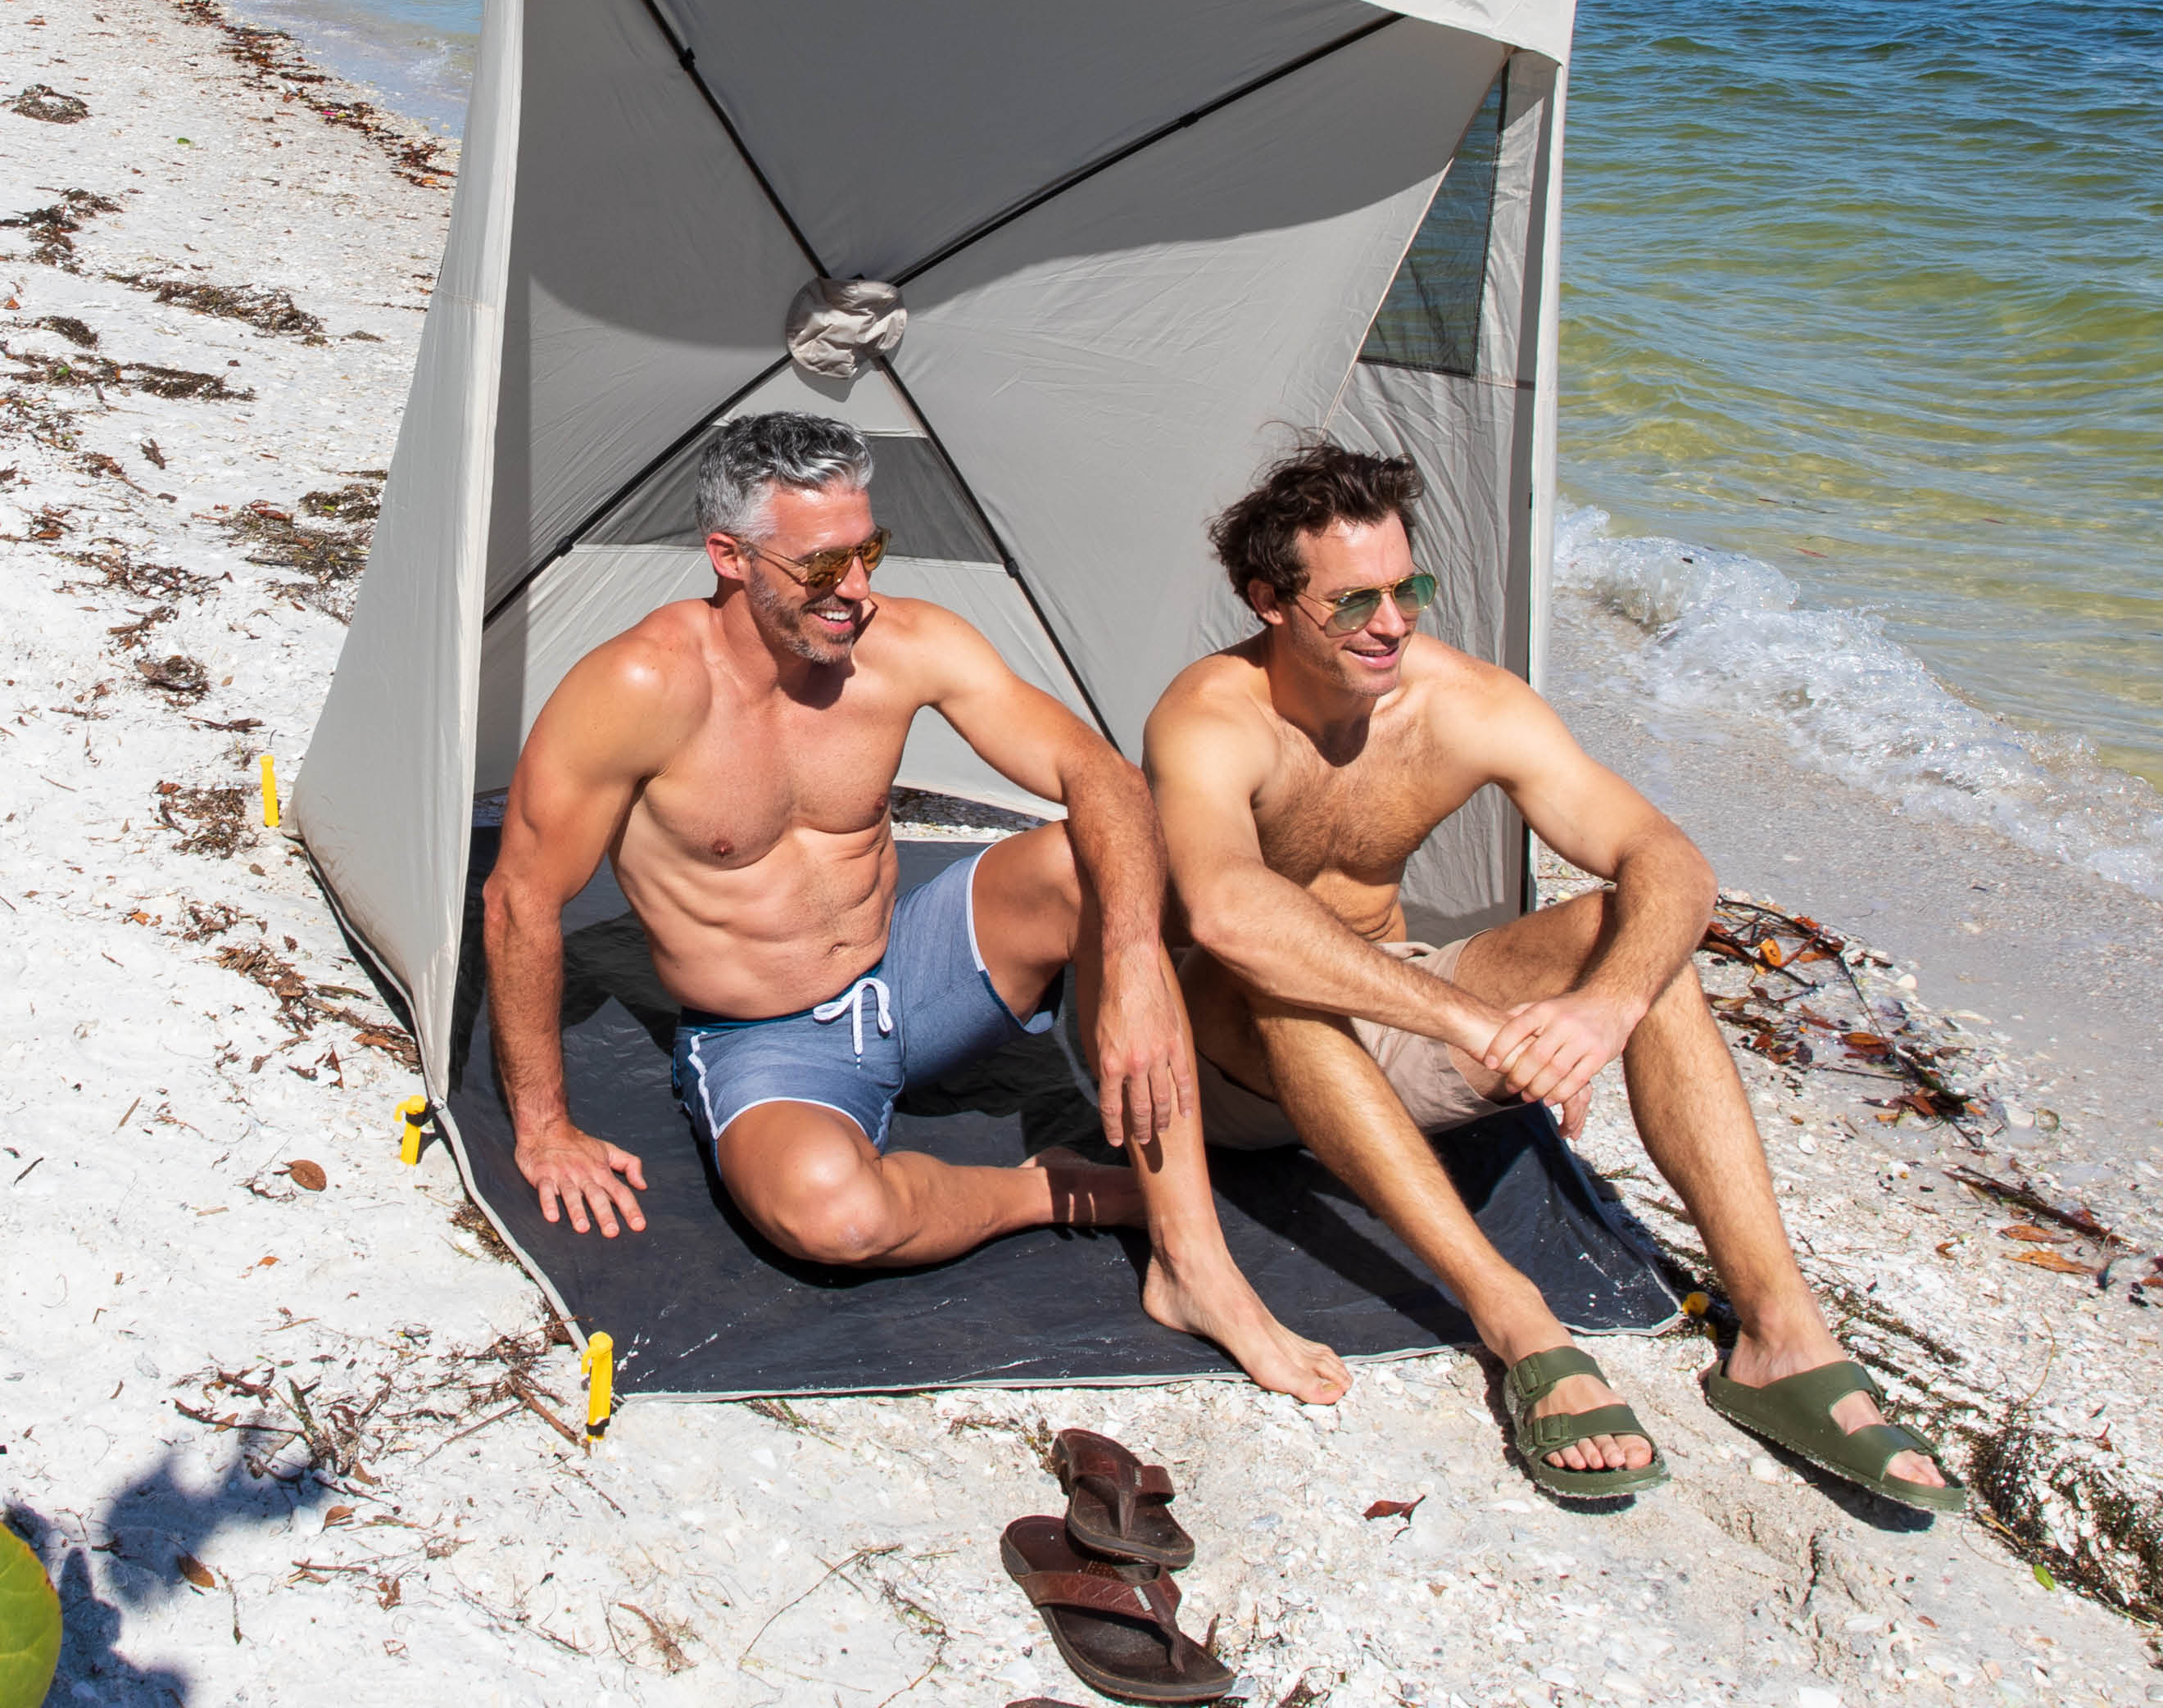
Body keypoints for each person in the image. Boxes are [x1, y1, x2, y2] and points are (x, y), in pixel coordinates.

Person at [1145, 439, 1966, 1506]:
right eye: (1354, 604)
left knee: (1643, 944)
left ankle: (1780, 1334)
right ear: (1269, 600)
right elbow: (1228, 912)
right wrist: (1476, 1026)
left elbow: (1666, 859)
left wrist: (1605, 1006)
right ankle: (1517, 1321)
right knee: (1287, 970)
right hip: (1234, 1063)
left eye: (1410, 589)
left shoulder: (1463, 703)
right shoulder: (1212, 714)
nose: (1392, 624)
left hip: (1397, 1013)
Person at [481, 411, 1347, 1403]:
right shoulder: (639, 687)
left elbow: (1092, 768)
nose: (854, 589)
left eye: (868, 551)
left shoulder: (905, 643)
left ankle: (1194, 1264)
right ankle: (1064, 1188)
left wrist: (1140, 960)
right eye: (819, 565)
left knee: (1105, 863)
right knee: (832, 1218)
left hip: (911, 966)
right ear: (727, 555)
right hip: (766, 1038)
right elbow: (520, 898)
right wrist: (544, 1124)